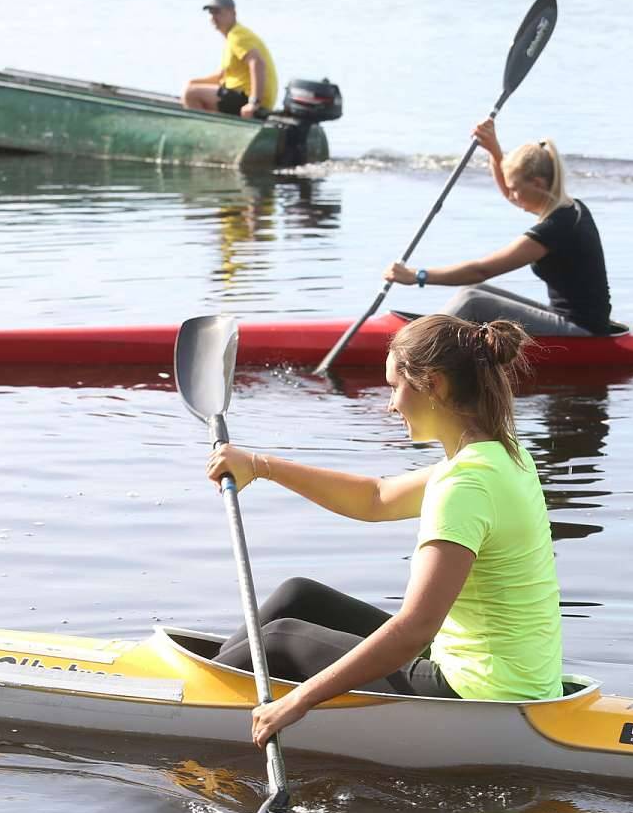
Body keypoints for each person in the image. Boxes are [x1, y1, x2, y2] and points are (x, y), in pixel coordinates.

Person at [204, 315, 563, 748]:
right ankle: (206, 679)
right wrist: (260, 466)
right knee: (297, 596)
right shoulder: (504, 455)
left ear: (435, 384)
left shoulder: (465, 487)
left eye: (396, 387)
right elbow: (376, 499)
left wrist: (298, 700)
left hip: (484, 693)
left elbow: (415, 629)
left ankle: (188, 701)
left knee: (279, 639)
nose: (390, 404)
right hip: (507, 674)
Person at [384, 119, 613, 336]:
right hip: (577, 319)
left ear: (537, 184)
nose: (510, 195)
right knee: (473, 289)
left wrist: (418, 276)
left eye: (514, 188)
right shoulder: (570, 207)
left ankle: (419, 347)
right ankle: (438, 336)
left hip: (581, 330)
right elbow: (512, 191)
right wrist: (495, 152)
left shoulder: (553, 229)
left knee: (472, 301)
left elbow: (481, 269)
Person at [180, 0, 278, 120]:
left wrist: (254, 103)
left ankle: (207, 133)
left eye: (218, 12)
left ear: (233, 13)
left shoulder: (237, 35)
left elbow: (257, 63)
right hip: (239, 95)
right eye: (211, 13)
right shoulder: (232, 38)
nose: (213, 17)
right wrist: (192, 83)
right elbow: (222, 77)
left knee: (191, 94)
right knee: (190, 88)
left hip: (249, 99)